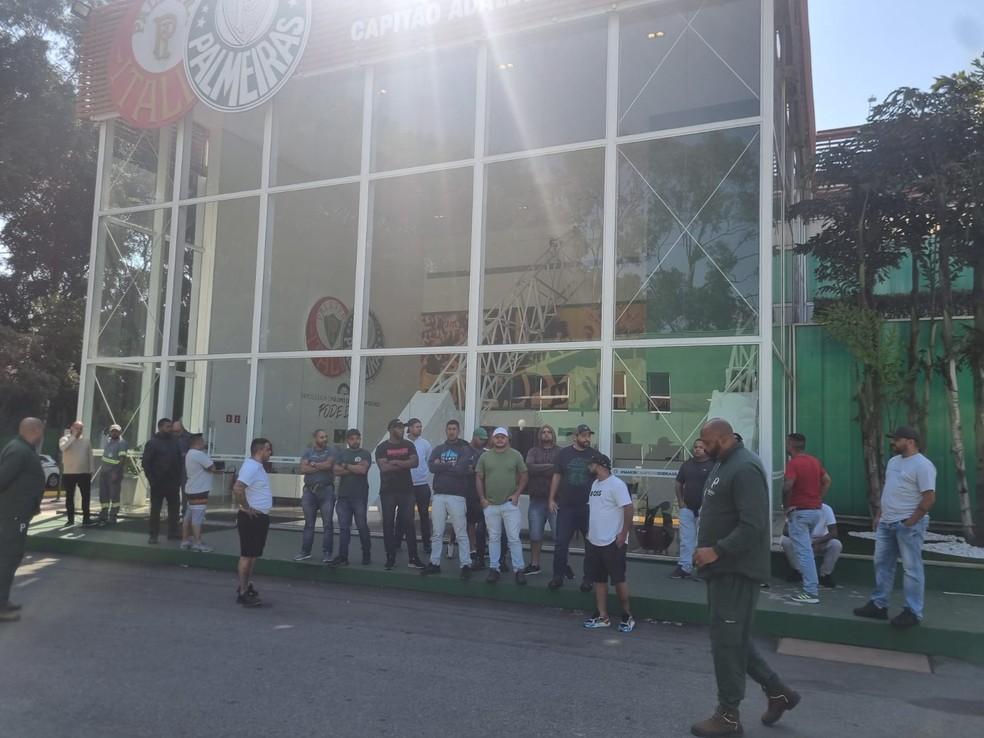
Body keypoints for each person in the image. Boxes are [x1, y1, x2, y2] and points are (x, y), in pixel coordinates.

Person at [690, 419, 799, 737]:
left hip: (736, 571)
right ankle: (779, 693)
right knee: (732, 639)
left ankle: (728, 715)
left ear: (724, 439)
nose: (702, 446)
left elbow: (753, 525)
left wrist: (717, 550)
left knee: (726, 643)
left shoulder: (745, 468)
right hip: (722, 570)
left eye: (706, 441)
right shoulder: (724, 463)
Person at [853, 426, 936, 629]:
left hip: (908, 524)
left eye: (896, 439)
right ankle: (879, 605)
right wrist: (881, 515)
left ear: (909, 441)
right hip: (887, 523)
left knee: (912, 569)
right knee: (881, 563)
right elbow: (889, 489)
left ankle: (913, 612)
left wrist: (909, 523)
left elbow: (929, 498)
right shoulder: (893, 462)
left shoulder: (923, 465)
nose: (892, 442)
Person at [582, 454, 635, 633]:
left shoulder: (617, 484)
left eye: (591, 464)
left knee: (619, 579)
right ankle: (603, 616)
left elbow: (629, 508)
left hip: (613, 541)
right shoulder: (595, 484)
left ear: (600, 465)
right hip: (595, 541)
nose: (588, 467)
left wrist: (623, 534)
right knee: (599, 580)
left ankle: (627, 616)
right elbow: (595, 510)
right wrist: (590, 533)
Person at [0, 418, 46, 623]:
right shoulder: (19, 451)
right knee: (8, 558)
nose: (42, 435)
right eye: (41, 431)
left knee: (10, 558)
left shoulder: (21, 448)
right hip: (12, 515)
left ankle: (3, 600)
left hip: (15, 513)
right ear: (35, 431)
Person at [782, 432, 832, 605]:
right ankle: (811, 586)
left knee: (804, 552)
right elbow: (827, 480)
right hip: (814, 511)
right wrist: (818, 499)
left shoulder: (793, 464)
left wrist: (786, 506)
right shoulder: (814, 461)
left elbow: (787, 486)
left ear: (790, 445)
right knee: (806, 550)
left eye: (786, 443)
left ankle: (810, 592)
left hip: (800, 513)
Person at [422, 419, 474, 579]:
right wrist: (451, 465)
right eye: (449, 428)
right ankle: (434, 563)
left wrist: (442, 465)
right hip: (438, 495)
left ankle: (466, 564)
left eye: (454, 429)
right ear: (446, 430)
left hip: (457, 496)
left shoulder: (465, 449)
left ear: (458, 431)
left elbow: (461, 470)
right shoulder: (439, 448)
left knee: (461, 532)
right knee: (437, 532)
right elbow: (431, 466)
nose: (451, 431)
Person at [476, 427, 528, 585]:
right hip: (490, 505)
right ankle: (494, 568)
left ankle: (519, 569)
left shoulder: (516, 455)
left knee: (513, 539)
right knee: (493, 538)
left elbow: (524, 475)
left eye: (502, 437)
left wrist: (517, 493)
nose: (499, 439)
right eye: (497, 437)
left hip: (509, 504)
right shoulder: (485, 456)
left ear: (507, 439)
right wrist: (482, 499)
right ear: (492, 439)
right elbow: (479, 478)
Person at [548, 423, 596, 592]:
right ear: (575, 436)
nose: (587, 438)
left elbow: (602, 478)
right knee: (561, 543)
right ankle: (557, 576)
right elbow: (556, 476)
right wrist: (551, 498)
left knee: (591, 544)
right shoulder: (564, 454)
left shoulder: (594, 455)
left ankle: (588, 579)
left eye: (589, 435)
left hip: (588, 506)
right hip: (566, 506)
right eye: (583, 436)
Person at [375, 419, 424, 570]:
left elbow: (415, 463)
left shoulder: (409, 445)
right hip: (388, 490)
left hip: (406, 490)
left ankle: (413, 557)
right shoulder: (382, 447)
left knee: (409, 523)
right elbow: (384, 468)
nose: (401, 430)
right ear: (390, 429)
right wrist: (403, 463)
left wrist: (395, 462)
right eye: (397, 427)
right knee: (388, 524)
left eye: (402, 427)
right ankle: (390, 557)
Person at [232, 438, 274, 607]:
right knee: (247, 555)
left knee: (253, 555)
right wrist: (246, 507)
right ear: (260, 450)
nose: (270, 453)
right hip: (251, 518)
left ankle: (246, 585)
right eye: (268, 450)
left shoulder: (257, 467)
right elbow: (238, 487)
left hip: (260, 517)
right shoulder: (251, 467)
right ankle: (242, 592)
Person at [671, 439, 714, 580]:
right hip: (687, 508)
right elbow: (678, 483)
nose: (697, 449)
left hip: (706, 509)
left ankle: (703, 569)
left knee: (703, 541)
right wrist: (681, 502)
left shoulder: (713, 464)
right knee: (686, 540)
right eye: (695, 447)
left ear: (706, 448)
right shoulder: (687, 465)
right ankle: (685, 567)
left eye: (701, 447)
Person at [330, 429, 372, 566]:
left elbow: (362, 470)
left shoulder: (365, 453)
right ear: (348, 440)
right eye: (352, 438)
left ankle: (366, 554)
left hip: (359, 496)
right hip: (343, 496)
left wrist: (346, 466)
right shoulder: (342, 454)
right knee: (343, 527)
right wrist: (353, 468)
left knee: (361, 525)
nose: (355, 441)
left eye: (357, 438)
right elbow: (336, 470)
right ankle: (343, 556)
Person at [294, 429, 336, 563]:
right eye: (322, 437)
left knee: (328, 524)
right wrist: (320, 467)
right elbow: (303, 469)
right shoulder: (308, 451)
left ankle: (327, 553)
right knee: (309, 524)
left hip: (326, 491)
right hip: (309, 492)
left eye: (326, 437)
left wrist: (313, 464)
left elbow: (329, 465)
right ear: (315, 438)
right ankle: (305, 552)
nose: (324, 439)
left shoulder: (331, 451)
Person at [523, 424, 559, 576]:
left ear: (553, 434)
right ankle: (534, 564)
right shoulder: (533, 451)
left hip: (557, 500)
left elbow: (560, 469)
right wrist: (551, 467)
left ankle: (561, 566)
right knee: (535, 535)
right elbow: (529, 467)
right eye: (543, 432)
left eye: (548, 432)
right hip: (536, 499)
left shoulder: (560, 451)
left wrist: (542, 468)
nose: (546, 434)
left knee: (559, 536)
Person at [141, 418, 183, 544]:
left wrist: (178, 478)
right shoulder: (153, 443)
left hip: (173, 482)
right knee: (155, 510)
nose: (170, 429)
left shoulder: (175, 442)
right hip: (158, 482)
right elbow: (146, 463)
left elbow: (179, 460)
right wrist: (152, 479)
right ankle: (153, 535)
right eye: (167, 426)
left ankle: (173, 532)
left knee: (174, 509)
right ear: (160, 427)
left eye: (171, 426)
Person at [780, 502, 841, 588]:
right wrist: (804, 541)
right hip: (801, 540)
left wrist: (817, 542)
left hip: (820, 541)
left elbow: (834, 532)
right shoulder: (794, 508)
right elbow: (785, 531)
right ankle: (798, 571)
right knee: (786, 541)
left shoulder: (826, 509)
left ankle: (825, 575)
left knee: (836, 544)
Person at [402, 418, 433, 555]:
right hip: (406, 485)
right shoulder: (403, 443)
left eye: (420, 426)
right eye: (416, 427)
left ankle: (427, 543)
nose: (419, 429)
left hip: (422, 485)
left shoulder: (425, 444)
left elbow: (428, 461)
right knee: (404, 516)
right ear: (409, 428)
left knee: (424, 515)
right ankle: (400, 542)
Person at [180, 434, 216, 553]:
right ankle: (197, 542)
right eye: (202, 440)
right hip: (199, 490)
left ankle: (185, 540)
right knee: (197, 518)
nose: (204, 442)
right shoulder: (199, 454)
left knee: (188, 516)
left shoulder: (190, 453)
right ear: (198, 442)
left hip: (191, 489)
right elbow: (212, 467)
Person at [59, 421, 94, 526]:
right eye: (77, 428)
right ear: (72, 428)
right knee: (69, 497)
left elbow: (90, 456)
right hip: (69, 473)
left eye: (81, 428)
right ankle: (70, 520)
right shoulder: (65, 439)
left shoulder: (86, 441)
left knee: (86, 496)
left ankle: (86, 519)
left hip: (84, 473)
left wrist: (91, 470)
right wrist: (73, 436)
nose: (79, 430)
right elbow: (63, 448)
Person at [465, 427, 488, 567]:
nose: (483, 442)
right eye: (481, 439)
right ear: (474, 437)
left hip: (482, 493)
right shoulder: (464, 450)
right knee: (470, 522)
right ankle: (472, 548)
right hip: (467, 491)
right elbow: (464, 469)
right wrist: (475, 470)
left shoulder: (484, 452)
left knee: (482, 523)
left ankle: (480, 548)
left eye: (485, 440)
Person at [98, 424, 128, 526]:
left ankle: (113, 516)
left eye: (116, 431)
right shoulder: (108, 441)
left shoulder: (122, 443)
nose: (114, 433)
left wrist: (116, 472)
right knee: (103, 495)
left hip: (114, 473)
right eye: (112, 431)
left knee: (114, 496)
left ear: (120, 432)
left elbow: (122, 460)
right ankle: (103, 515)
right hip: (104, 472)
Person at [172, 418, 192, 516]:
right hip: (174, 467)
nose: (176, 433)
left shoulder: (189, 437)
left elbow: (193, 452)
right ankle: (173, 512)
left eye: (178, 431)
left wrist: (185, 454)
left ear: (182, 428)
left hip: (185, 467)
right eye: (174, 431)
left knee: (185, 490)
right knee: (173, 490)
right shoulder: (172, 437)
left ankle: (185, 512)